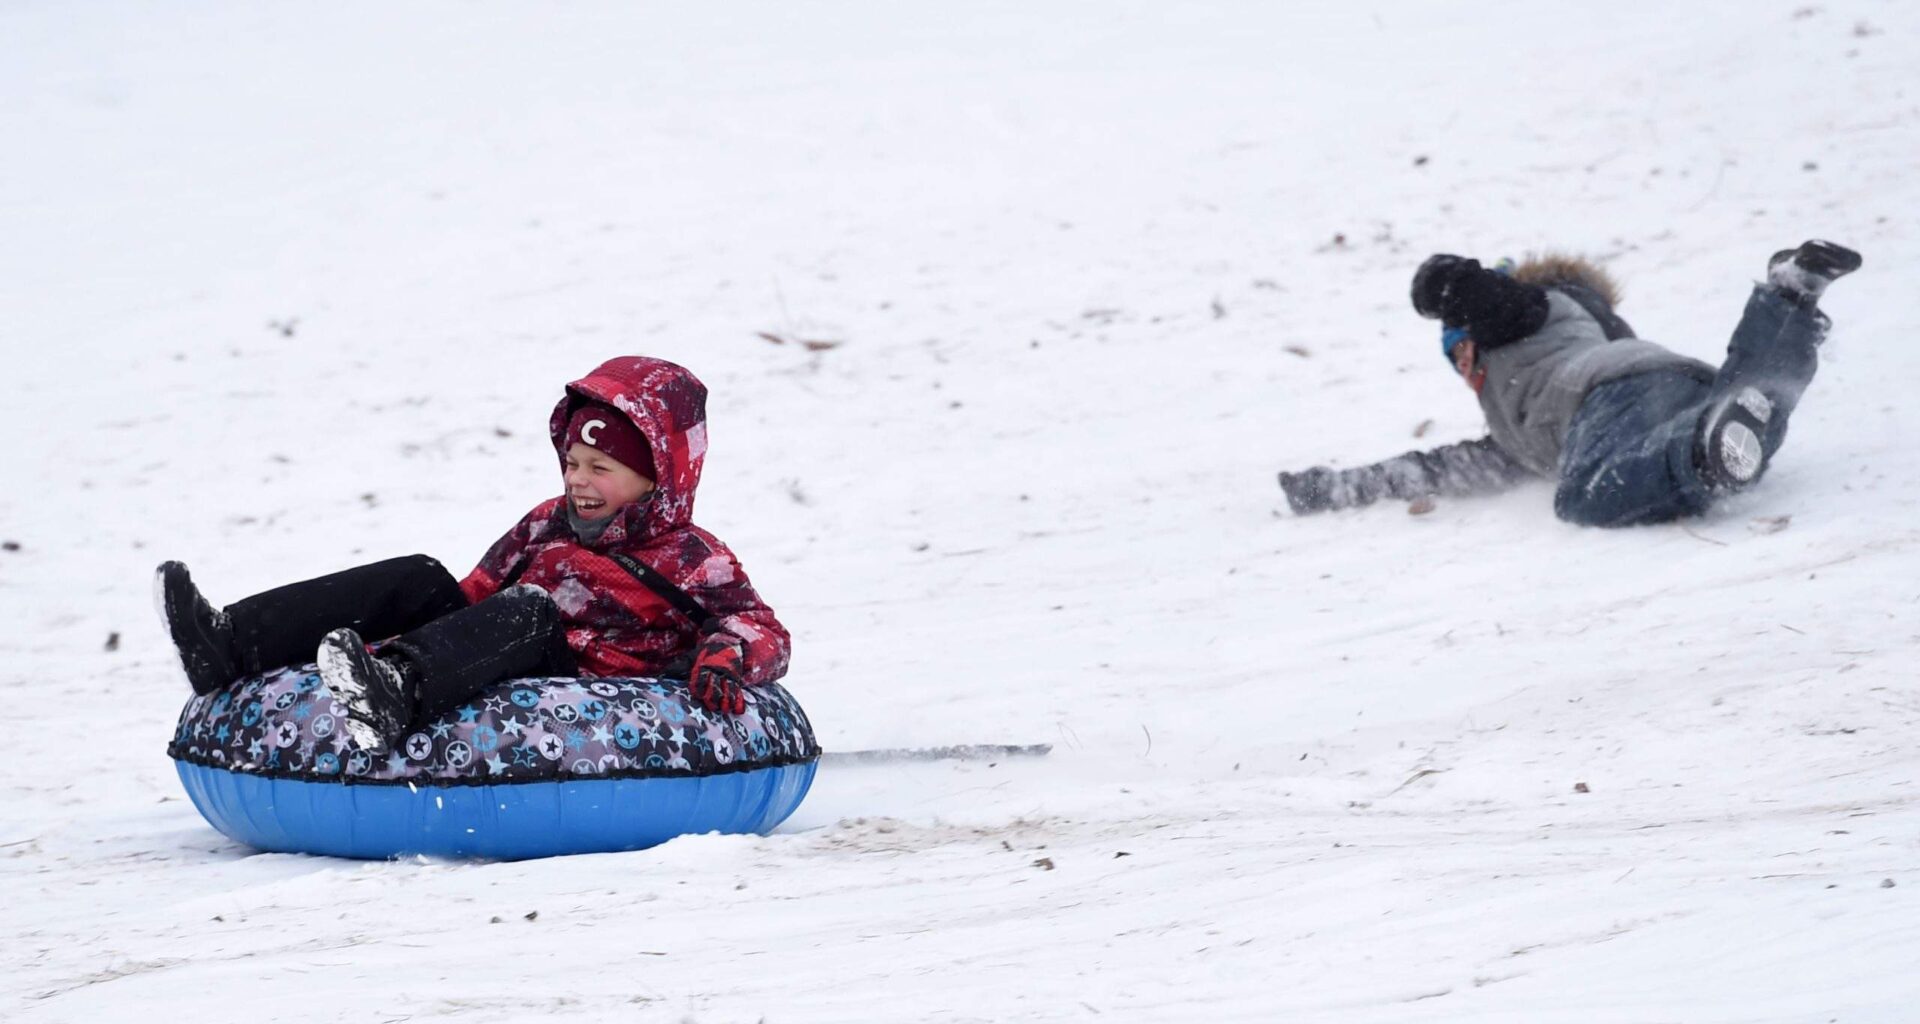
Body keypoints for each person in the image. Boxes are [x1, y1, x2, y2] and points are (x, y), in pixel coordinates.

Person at [156, 356, 790, 749]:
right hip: (504, 643)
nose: (577, 480)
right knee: (422, 576)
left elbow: (764, 630)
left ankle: (397, 690)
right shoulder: (547, 523)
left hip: (582, 677)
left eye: (601, 467)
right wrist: (399, 630)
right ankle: (230, 643)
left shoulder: (691, 557)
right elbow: (473, 598)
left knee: (532, 610)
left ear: (659, 478)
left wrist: (727, 652)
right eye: (572, 462)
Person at [1277, 240, 1862, 527]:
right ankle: (1786, 303)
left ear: (1470, 340)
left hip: (1605, 403)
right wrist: (1333, 489)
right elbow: (1443, 470)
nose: (1461, 369)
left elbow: (1489, 294)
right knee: (1737, 435)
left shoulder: (1527, 314)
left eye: (1457, 352)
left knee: (1586, 497)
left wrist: (1443, 288)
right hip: (1676, 393)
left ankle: (1705, 453)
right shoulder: (1519, 430)